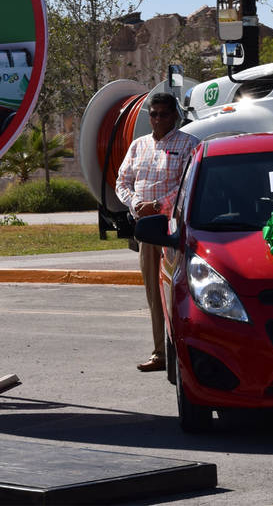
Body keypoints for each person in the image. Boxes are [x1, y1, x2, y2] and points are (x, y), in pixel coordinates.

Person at [116, 92, 199, 373]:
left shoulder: (189, 144)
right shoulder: (138, 145)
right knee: (154, 291)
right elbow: (122, 181)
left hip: (174, 229)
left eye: (164, 114)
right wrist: (136, 204)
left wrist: (159, 205)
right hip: (146, 229)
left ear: (175, 115)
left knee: (178, 292)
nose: (158, 119)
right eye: (154, 114)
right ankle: (160, 353)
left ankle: (184, 352)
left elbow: (188, 184)